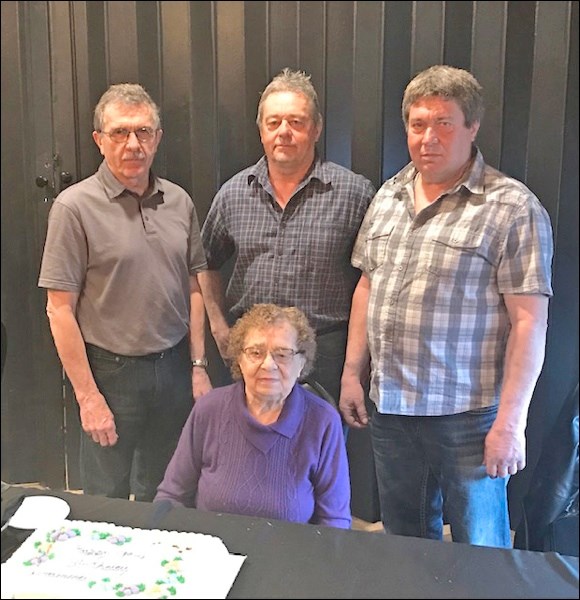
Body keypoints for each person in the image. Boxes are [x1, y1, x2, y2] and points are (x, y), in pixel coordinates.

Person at [340, 65, 554, 547]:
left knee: (481, 546)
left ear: (472, 127)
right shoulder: (388, 197)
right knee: (405, 539)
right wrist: (354, 373)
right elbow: (366, 288)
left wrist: (510, 424)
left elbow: (528, 322)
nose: (428, 138)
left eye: (444, 123)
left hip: (469, 416)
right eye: (418, 124)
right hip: (391, 407)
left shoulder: (511, 208)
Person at [38, 83, 211, 501]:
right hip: (111, 375)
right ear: (99, 140)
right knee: (105, 495)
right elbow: (59, 311)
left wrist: (198, 365)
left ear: (157, 138)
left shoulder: (179, 202)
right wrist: (88, 397)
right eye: (119, 133)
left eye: (143, 132)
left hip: (172, 369)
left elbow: (194, 287)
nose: (133, 144)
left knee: (168, 488)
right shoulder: (73, 208)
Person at [197, 68, 375, 405]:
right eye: (274, 122)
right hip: (251, 355)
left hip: (325, 356)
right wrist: (220, 329)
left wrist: (355, 366)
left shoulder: (355, 194)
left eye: (296, 122)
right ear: (261, 130)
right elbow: (204, 261)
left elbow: (372, 280)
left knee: (320, 453)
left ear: (317, 128)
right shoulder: (233, 193)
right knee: (253, 451)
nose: (284, 132)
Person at [155, 303, 351, 529]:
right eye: (255, 353)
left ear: (302, 362)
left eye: (282, 354)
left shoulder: (323, 421)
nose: (268, 365)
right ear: (239, 359)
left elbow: (335, 520)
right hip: (211, 554)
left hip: (287, 558)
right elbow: (172, 496)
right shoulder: (209, 409)